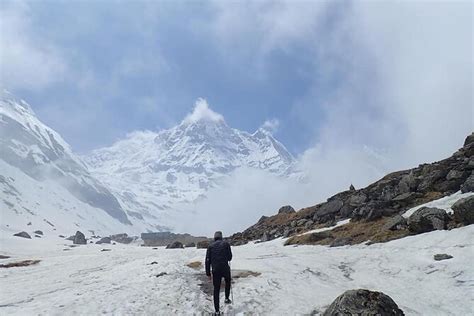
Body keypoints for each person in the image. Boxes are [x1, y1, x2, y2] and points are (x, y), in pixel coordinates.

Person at [205, 231, 233, 314]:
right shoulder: (226, 244)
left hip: (215, 270)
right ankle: (227, 298)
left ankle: (217, 312)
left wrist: (208, 273)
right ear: (221, 237)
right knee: (228, 281)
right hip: (225, 268)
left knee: (216, 289)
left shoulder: (210, 246)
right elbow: (230, 258)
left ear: (214, 237)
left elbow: (207, 261)